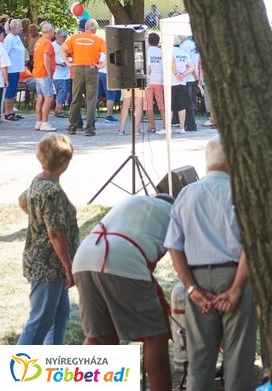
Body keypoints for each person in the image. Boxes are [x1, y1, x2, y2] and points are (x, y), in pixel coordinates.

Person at [164, 136, 257, 391]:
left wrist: (192, 288)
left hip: (198, 277)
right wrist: (237, 288)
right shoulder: (242, 192)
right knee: (238, 358)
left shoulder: (187, 193)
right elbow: (252, 244)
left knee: (200, 359)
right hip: (235, 273)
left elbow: (174, 245)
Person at [73, 195, 174, 391]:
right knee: (155, 336)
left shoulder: (134, 203)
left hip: (84, 257)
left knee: (99, 337)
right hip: (123, 260)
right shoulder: (175, 213)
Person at [17, 133, 78, 345]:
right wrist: (68, 266)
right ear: (63, 162)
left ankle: (52, 363)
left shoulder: (39, 181)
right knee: (41, 320)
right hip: (48, 265)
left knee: (59, 316)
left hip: (43, 261)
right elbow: (55, 233)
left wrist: (37, 218)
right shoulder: (52, 192)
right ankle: (14, 371)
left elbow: (22, 201)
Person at [61, 19, 105, 136]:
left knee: (75, 98)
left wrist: (68, 63)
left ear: (85, 27)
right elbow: (111, 52)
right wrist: (101, 65)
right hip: (92, 68)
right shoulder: (98, 39)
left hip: (77, 69)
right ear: (94, 28)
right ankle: (89, 128)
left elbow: (62, 49)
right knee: (91, 100)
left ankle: (73, 125)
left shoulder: (75, 38)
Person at [32, 23, 57, 132]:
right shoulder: (47, 43)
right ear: (50, 31)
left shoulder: (39, 41)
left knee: (40, 97)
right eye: (53, 31)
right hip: (43, 73)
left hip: (37, 72)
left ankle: (38, 121)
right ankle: (45, 122)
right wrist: (49, 72)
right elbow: (46, 58)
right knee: (49, 97)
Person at [144, 33, 167, 134]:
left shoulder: (146, 51)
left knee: (148, 105)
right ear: (158, 42)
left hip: (148, 80)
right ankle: (165, 126)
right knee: (161, 104)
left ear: (148, 41)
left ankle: (152, 127)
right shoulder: (162, 52)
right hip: (160, 80)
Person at [4, 19, 26, 121]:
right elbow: (5, 54)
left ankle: (12, 111)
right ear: (13, 27)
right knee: (10, 90)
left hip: (17, 68)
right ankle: (8, 112)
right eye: (19, 27)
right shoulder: (9, 39)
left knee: (13, 91)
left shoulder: (16, 37)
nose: (21, 28)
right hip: (11, 69)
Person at [171, 39, 195, 134]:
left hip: (171, 81)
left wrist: (176, 73)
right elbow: (192, 66)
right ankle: (182, 127)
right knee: (182, 105)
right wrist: (184, 74)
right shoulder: (183, 52)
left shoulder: (170, 51)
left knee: (170, 106)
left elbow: (172, 60)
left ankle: (167, 128)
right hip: (182, 82)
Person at [52, 29, 71, 119]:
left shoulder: (66, 46)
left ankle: (58, 109)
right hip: (57, 73)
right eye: (62, 37)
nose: (63, 39)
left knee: (65, 91)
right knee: (61, 91)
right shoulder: (52, 45)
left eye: (65, 37)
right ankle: (58, 110)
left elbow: (70, 55)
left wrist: (68, 61)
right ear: (57, 36)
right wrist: (58, 64)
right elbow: (49, 59)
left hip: (66, 73)